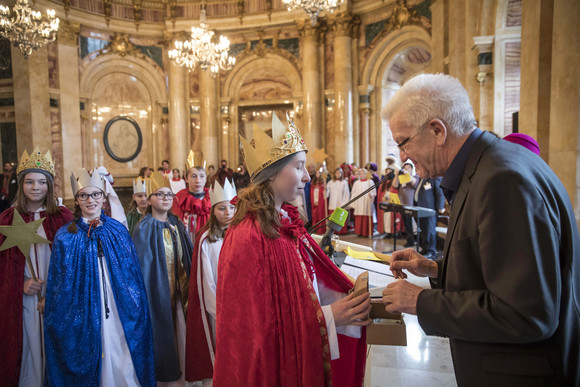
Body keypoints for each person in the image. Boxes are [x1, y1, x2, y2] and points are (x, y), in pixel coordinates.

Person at [381, 73, 580, 386]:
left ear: (437, 130)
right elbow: (502, 268)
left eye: (403, 143)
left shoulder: (502, 179)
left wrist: (419, 301)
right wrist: (435, 268)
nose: (402, 156)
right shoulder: (490, 165)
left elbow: (526, 314)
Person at [213, 113, 371, 387]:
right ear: (272, 173)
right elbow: (258, 334)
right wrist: (331, 316)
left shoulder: (281, 222)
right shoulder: (249, 237)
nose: (308, 176)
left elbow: (296, 293)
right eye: (299, 167)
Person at [44, 169, 155, 386]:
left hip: (116, 303)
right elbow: (59, 282)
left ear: (103, 197)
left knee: (119, 344)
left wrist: (134, 303)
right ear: (76, 200)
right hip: (82, 307)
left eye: (96, 194)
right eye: (84, 195)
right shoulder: (66, 235)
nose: (90, 200)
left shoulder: (117, 230)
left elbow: (131, 273)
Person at [0, 148, 73, 386]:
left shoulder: (62, 218)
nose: (35, 187)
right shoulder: (7, 219)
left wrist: (52, 292)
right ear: (20, 185)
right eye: (29, 181)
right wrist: (21, 284)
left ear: (50, 186)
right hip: (23, 300)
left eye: (42, 182)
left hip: (56, 298)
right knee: (29, 349)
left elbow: (73, 264)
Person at [132, 173, 193, 386]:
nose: (166, 198)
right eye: (159, 194)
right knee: (164, 329)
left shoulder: (176, 224)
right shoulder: (144, 227)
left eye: (169, 195)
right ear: (149, 200)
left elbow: (188, 254)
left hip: (181, 287)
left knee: (182, 329)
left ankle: (185, 372)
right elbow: (141, 264)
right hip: (158, 291)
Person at [185, 178, 236, 385]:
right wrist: (219, 310)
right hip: (218, 309)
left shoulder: (240, 234)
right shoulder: (206, 239)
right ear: (213, 211)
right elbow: (205, 281)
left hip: (240, 307)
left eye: (232, 207)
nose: (228, 213)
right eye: (222, 208)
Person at [172, 151, 211, 243]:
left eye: (202, 176)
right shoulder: (179, 199)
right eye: (193, 176)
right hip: (185, 240)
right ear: (186, 178)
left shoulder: (213, 198)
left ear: (206, 178)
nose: (198, 180)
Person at [413, 177, 445, 259]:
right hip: (420, 209)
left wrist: (440, 206)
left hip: (430, 209)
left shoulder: (434, 178)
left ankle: (431, 251)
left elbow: (440, 193)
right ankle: (425, 249)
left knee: (430, 231)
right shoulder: (421, 178)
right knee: (423, 230)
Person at [393, 161, 418, 247]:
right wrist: (397, 174)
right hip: (402, 204)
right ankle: (409, 240)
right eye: (405, 168)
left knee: (413, 223)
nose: (406, 169)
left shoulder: (415, 177)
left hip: (412, 205)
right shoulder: (401, 178)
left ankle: (416, 240)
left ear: (412, 169)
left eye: (408, 168)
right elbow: (394, 185)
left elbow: (414, 183)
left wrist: (407, 173)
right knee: (407, 224)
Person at [348, 168, 376, 237]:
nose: (362, 175)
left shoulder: (370, 182)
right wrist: (353, 202)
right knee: (359, 216)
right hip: (359, 202)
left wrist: (371, 194)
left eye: (363, 173)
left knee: (366, 216)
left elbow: (374, 192)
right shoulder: (356, 183)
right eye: (360, 174)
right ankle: (359, 232)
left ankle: (366, 232)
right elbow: (353, 193)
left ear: (366, 174)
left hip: (367, 202)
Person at [326, 167, 350, 234]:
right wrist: (326, 190)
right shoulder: (331, 182)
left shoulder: (344, 182)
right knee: (333, 216)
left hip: (341, 202)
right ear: (334, 174)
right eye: (336, 173)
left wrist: (344, 203)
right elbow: (327, 193)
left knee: (339, 216)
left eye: (339, 173)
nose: (337, 174)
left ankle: (341, 231)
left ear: (341, 174)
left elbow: (346, 193)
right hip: (333, 202)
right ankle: (332, 231)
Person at [310, 168, 327, 235]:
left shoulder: (322, 182)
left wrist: (325, 187)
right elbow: (312, 192)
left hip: (320, 201)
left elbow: (325, 192)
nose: (317, 174)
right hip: (314, 200)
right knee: (314, 215)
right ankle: (315, 229)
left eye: (319, 173)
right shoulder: (312, 183)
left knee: (321, 215)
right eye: (316, 173)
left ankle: (321, 229)